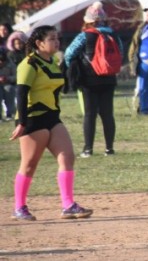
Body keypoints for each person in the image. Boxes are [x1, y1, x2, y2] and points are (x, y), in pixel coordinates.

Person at [10, 26, 93, 221]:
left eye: (57, 38)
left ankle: (68, 205)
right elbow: (21, 93)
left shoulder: (53, 61)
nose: (56, 42)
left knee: (67, 157)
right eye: (52, 39)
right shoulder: (29, 64)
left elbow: (57, 89)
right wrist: (21, 123)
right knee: (29, 165)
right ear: (39, 43)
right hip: (32, 118)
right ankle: (19, 207)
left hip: (52, 117)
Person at [63, 1, 121, 157]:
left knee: (90, 114)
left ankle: (88, 149)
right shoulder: (113, 34)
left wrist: (74, 68)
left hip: (89, 80)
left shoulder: (85, 35)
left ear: (88, 20)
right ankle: (109, 149)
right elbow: (120, 53)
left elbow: (69, 53)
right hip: (109, 79)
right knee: (108, 114)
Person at [0, 51, 16, 121]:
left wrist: (8, 78)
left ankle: (9, 114)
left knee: (9, 90)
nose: (1, 62)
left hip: (8, 84)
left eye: (2, 60)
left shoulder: (11, 64)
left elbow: (16, 76)